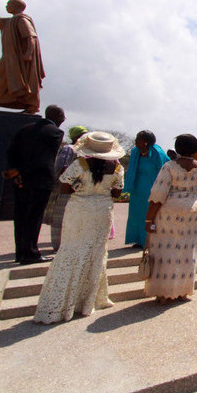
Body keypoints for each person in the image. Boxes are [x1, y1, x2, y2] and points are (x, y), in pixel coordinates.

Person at [33, 131, 125, 324]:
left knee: (72, 249)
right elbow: (117, 193)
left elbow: (64, 188)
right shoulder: (117, 169)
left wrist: (83, 188)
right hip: (102, 211)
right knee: (96, 252)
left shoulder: (79, 165)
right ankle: (87, 301)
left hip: (80, 209)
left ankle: (61, 302)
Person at [144, 134, 197, 305]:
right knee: (187, 252)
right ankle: (182, 290)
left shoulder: (169, 167)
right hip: (192, 212)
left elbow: (158, 194)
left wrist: (149, 219)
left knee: (165, 251)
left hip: (170, 211)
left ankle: (164, 293)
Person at [4, 105, 65, 264]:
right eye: (63, 116)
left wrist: (17, 172)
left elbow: (11, 153)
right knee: (34, 217)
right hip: (41, 179)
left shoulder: (24, 129)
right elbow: (45, 159)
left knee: (21, 216)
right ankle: (31, 252)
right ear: (58, 116)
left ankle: (21, 252)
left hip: (20, 179)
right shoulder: (55, 132)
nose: (64, 119)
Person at [43, 125, 88, 251]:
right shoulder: (69, 149)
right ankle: (59, 245)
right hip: (65, 187)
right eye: (82, 135)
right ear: (75, 137)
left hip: (78, 189)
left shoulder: (84, 151)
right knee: (60, 217)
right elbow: (62, 167)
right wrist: (72, 180)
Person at [122, 130, 170, 248]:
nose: (135, 141)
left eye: (138, 138)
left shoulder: (157, 153)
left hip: (152, 189)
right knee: (135, 215)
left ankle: (149, 240)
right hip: (137, 188)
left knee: (148, 215)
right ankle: (138, 240)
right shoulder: (135, 152)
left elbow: (166, 169)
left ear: (145, 142)